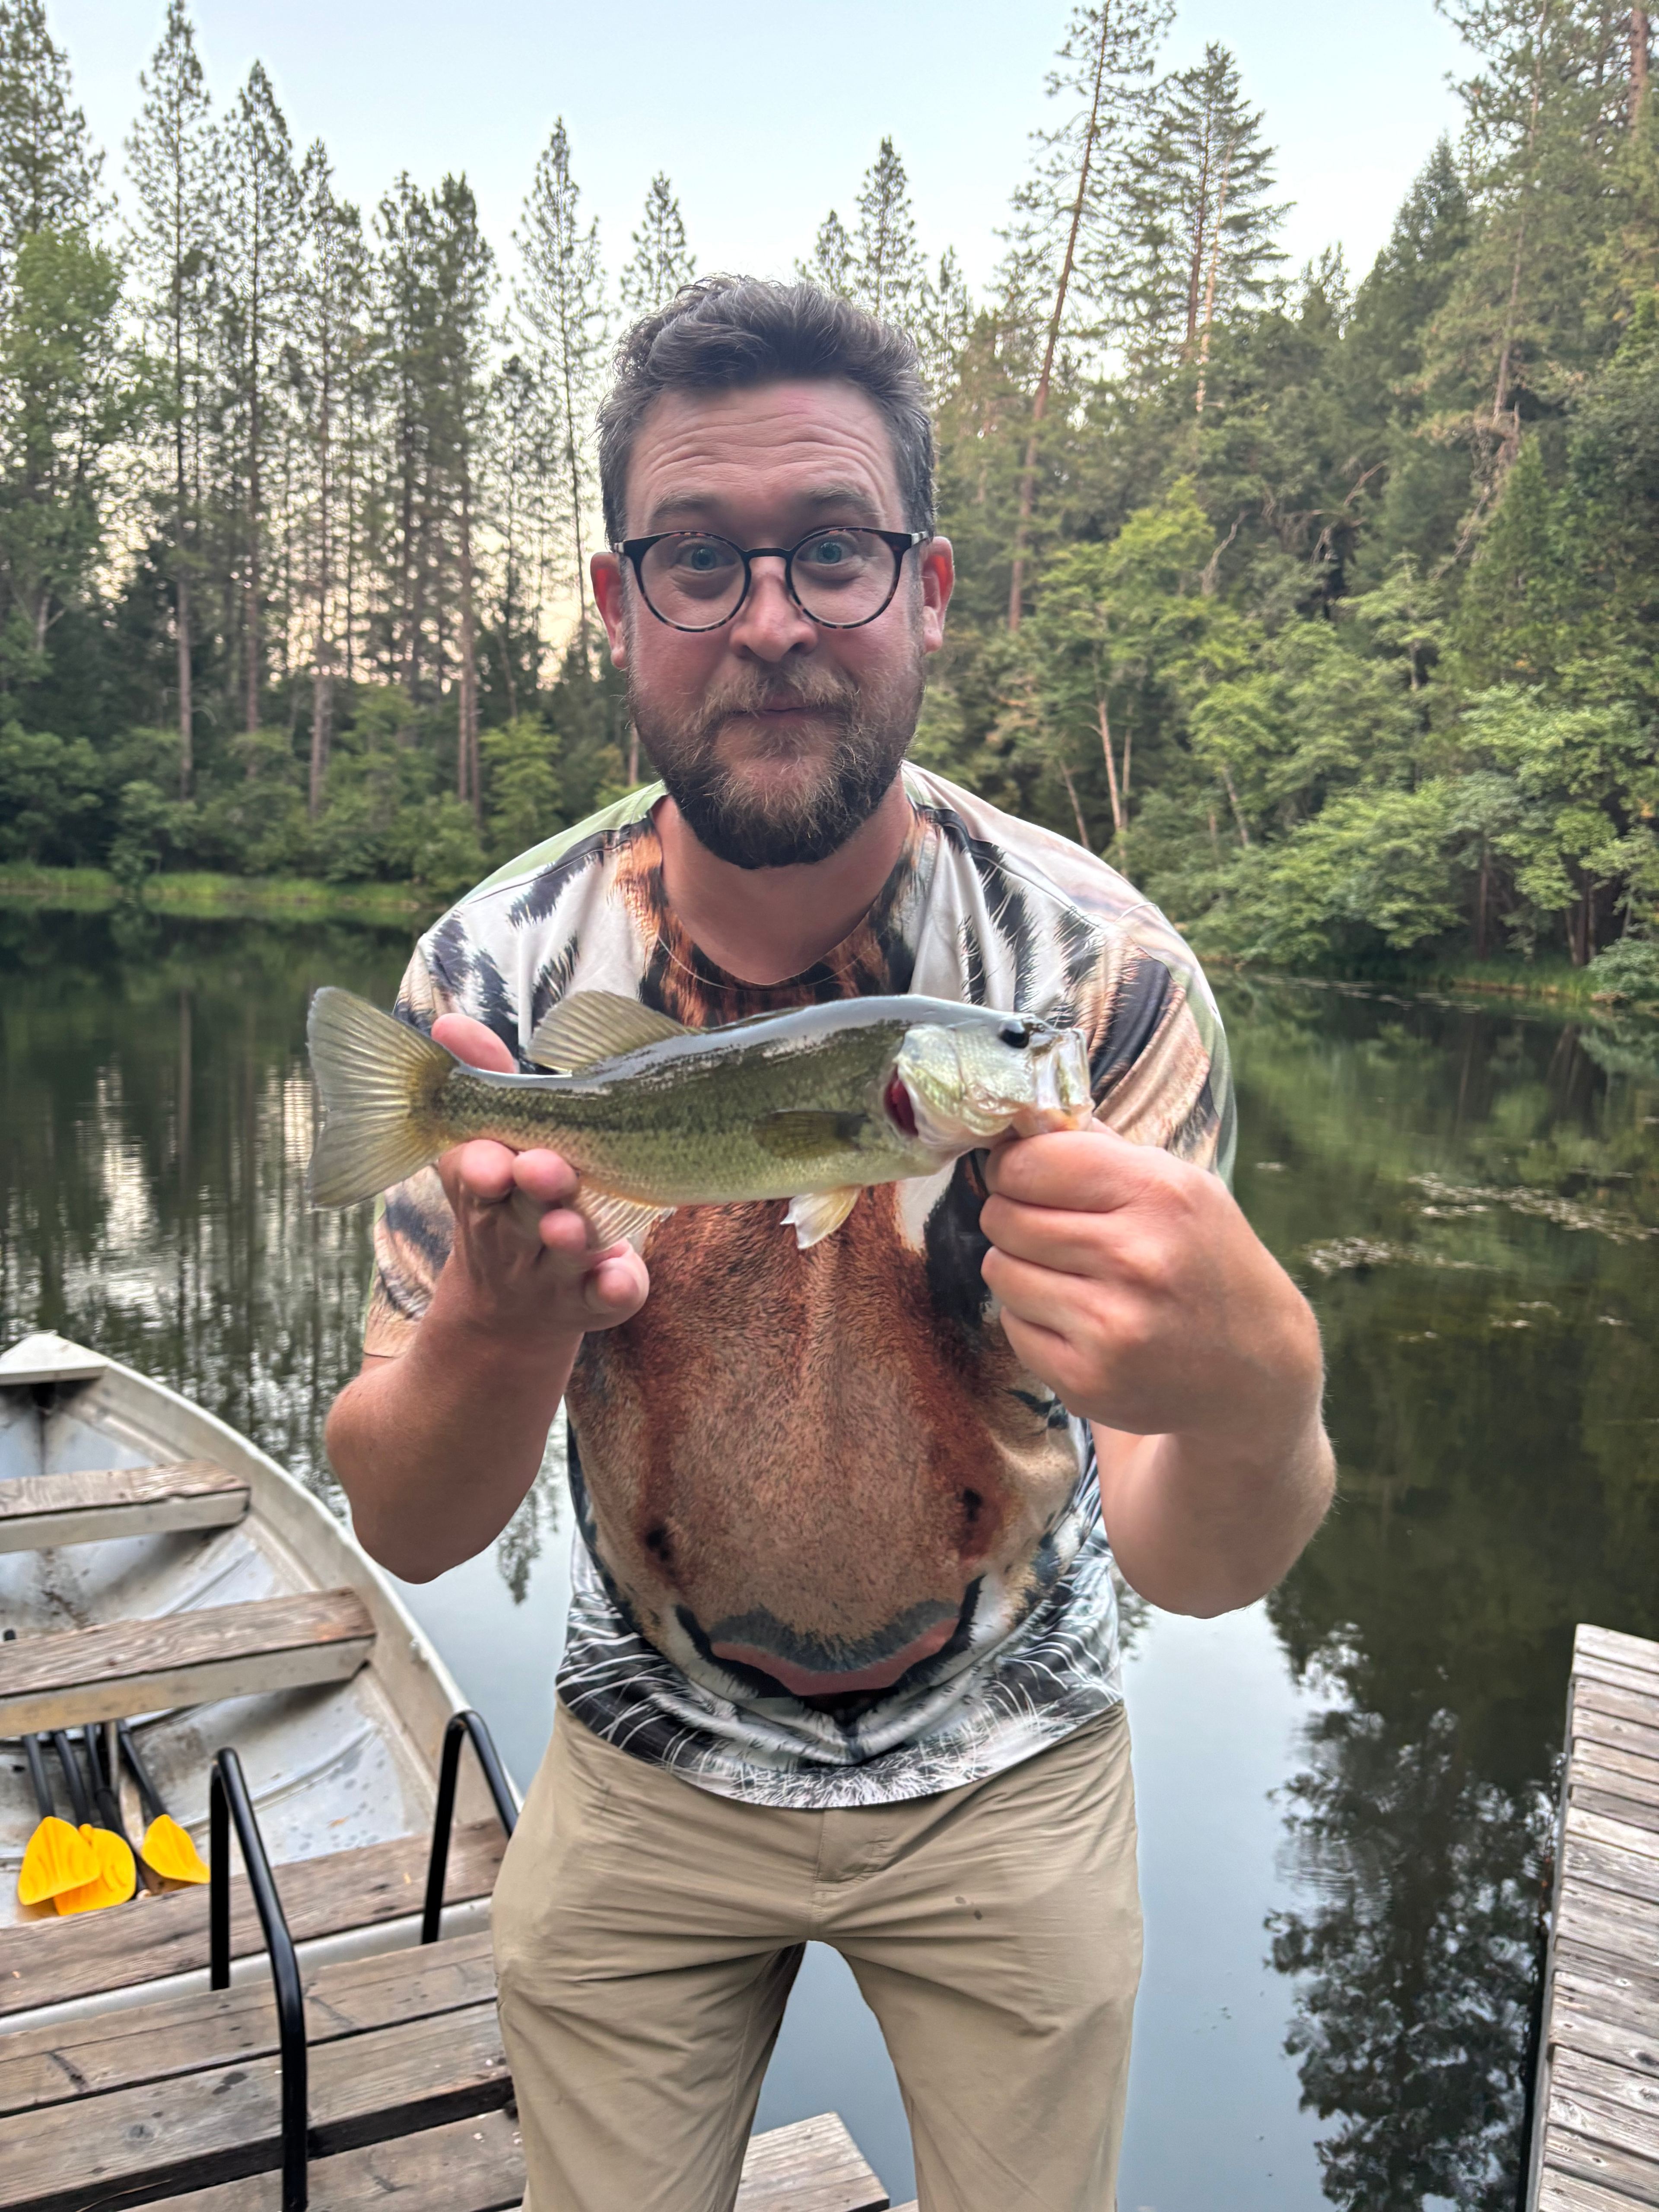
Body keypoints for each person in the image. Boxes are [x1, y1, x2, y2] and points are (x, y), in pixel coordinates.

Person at [324, 277, 1334, 2212]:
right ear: (620, 610)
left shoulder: (1100, 990)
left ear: (928, 588)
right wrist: (493, 1332)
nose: (770, 619)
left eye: (833, 552)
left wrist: (1265, 1388)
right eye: (699, 560)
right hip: (638, 1756)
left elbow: (1203, 1562)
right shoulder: (496, 985)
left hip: (1016, 1768)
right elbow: (414, 1523)